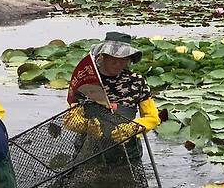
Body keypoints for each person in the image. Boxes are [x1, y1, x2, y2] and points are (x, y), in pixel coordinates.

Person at [67, 32, 160, 169]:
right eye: (113, 59)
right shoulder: (86, 80)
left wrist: (132, 128)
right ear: (102, 57)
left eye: (123, 60)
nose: (118, 64)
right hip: (88, 152)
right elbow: (70, 119)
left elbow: (152, 118)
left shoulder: (137, 81)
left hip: (126, 153)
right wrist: (87, 126)